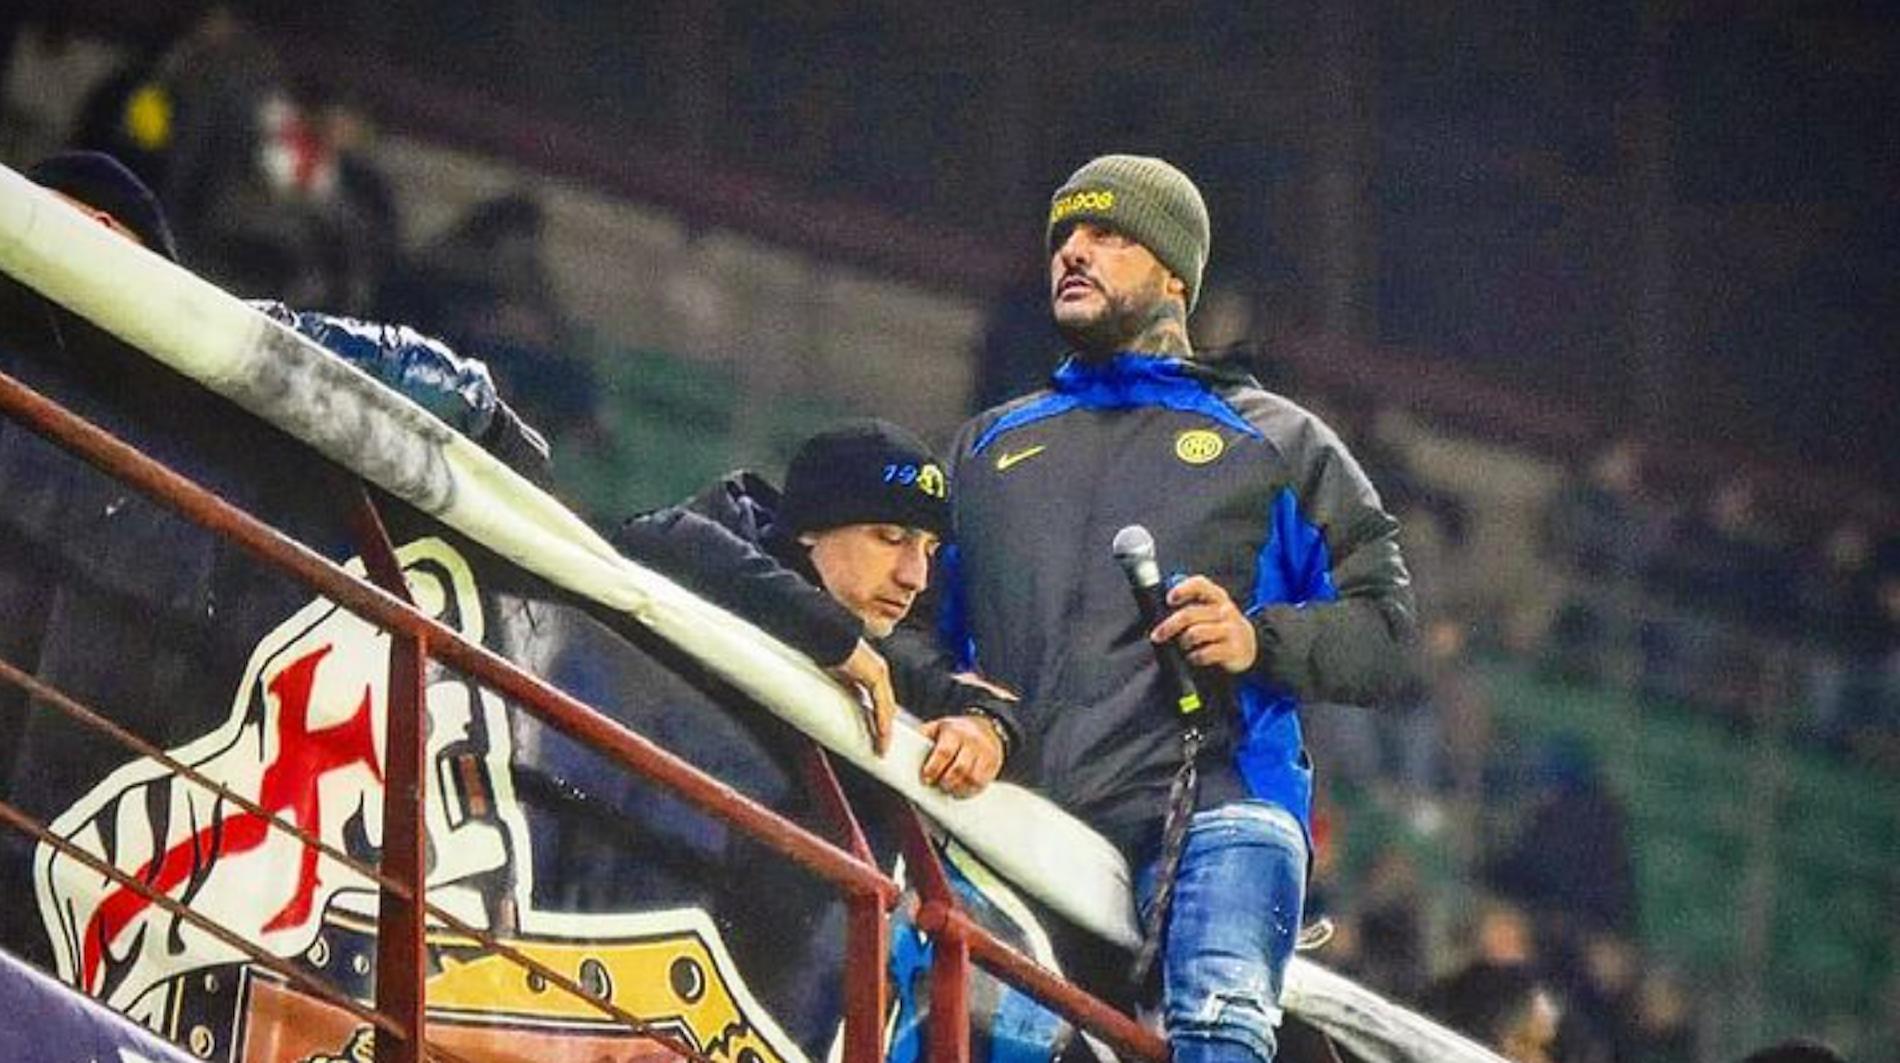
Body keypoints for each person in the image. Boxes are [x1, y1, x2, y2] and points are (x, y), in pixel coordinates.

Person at [935, 154, 1418, 1062]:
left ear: (1174, 276)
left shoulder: (1279, 442)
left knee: (1218, 1031)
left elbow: (1386, 630)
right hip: (1021, 810)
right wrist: (963, 707)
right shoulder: (986, 449)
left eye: (1106, 235)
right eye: (1063, 236)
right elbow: (925, 630)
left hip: (1217, 808)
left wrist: (1257, 639)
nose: (1072, 252)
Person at [18, 150, 551, 480]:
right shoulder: (30, 345)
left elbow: (415, 375)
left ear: (105, 227)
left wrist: (498, 434)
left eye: (45, 214)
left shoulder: (210, 337)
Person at [613, 420, 1026, 797]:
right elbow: (651, 538)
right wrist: (828, 636)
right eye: (890, 538)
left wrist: (987, 729)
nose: (915, 577)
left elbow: (976, 701)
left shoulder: (875, 633)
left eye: (929, 550)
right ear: (810, 530)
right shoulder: (708, 546)